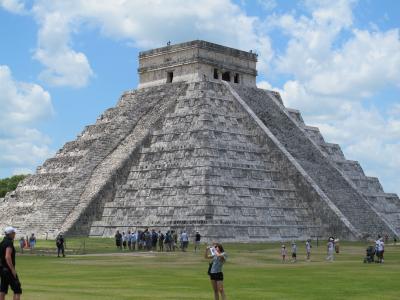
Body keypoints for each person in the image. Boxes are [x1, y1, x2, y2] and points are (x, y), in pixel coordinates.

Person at [0, 227, 22, 299]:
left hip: (2, 269)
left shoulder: (2, 242)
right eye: (14, 233)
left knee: (3, 288)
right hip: (8, 269)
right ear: (10, 234)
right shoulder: (9, 243)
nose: (15, 234)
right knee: (17, 289)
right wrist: (12, 269)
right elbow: (7, 257)